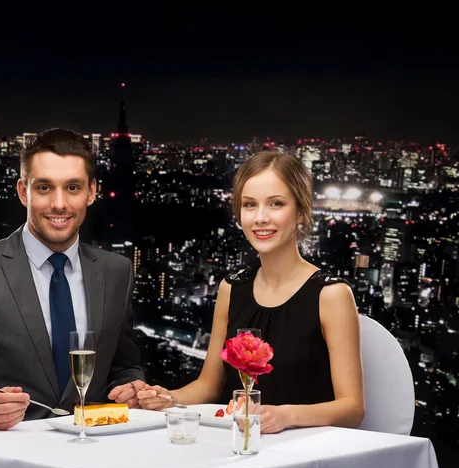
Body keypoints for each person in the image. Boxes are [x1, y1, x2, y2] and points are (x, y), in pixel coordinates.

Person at [0, 129, 145, 430]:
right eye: (44, 187)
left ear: (91, 192)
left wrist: (133, 388)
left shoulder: (117, 271)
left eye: (72, 187)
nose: (59, 204)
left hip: (96, 456)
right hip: (8, 462)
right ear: (23, 191)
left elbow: (125, 367)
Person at [137, 151, 365, 433]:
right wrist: (168, 398)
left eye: (276, 204)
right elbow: (208, 386)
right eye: (249, 205)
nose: (260, 217)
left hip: (306, 452)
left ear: (302, 213)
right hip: (237, 445)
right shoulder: (231, 288)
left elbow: (353, 408)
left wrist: (285, 416)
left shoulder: (331, 294)